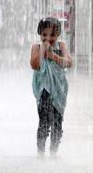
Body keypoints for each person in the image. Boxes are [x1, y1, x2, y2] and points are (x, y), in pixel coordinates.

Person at [30, 17, 73, 158]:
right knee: (44, 119)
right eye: (44, 35)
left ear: (58, 34)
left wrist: (53, 56)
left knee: (57, 120)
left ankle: (54, 151)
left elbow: (69, 63)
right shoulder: (36, 47)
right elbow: (34, 65)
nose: (48, 38)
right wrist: (42, 51)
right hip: (44, 89)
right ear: (40, 34)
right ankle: (40, 151)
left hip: (59, 89)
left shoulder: (61, 46)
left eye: (52, 35)